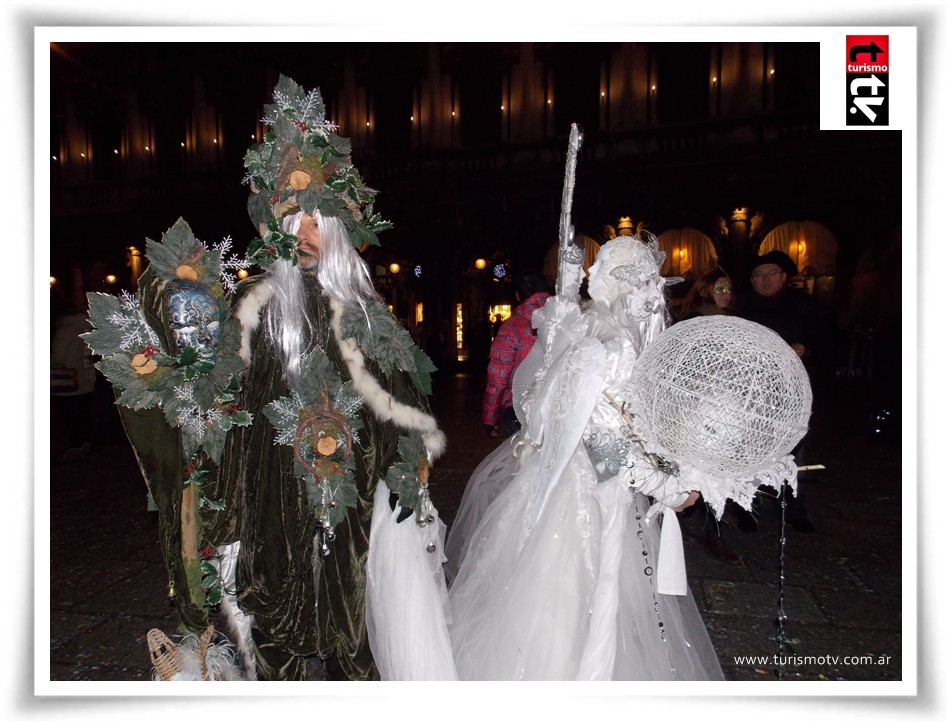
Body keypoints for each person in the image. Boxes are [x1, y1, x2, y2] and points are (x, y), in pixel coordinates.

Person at [87, 76, 449, 681]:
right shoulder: (253, 302)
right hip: (269, 489)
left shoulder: (360, 308)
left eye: (316, 224)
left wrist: (408, 455)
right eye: (292, 223)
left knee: (348, 618)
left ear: (335, 230)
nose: (303, 237)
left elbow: (396, 392)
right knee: (274, 611)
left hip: (347, 491)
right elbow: (223, 388)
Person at [445, 232, 723, 680]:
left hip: (559, 480)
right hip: (588, 496)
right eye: (650, 287)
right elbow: (605, 444)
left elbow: (608, 419)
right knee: (573, 601)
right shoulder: (615, 348)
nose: (657, 299)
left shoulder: (588, 331)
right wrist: (665, 486)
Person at [739, 249, 815, 532]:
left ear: (784, 277)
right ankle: (749, 503)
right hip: (754, 390)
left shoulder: (804, 306)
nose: (765, 280)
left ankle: (795, 507)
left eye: (771, 274)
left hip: (792, 391)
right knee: (751, 446)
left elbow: (826, 339)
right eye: (759, 275)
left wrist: (805, 348)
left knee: (794, 448)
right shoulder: (745, 310)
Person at [676, 269, 742, 563]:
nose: (725, 295)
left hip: (725, 407)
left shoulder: (735, 323)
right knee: (692, 470)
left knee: (717, 472)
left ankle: (714, 529)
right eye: (719, 289)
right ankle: (678, 523)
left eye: (728, 289)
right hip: (696, 408)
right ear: (705, 291)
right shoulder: (693, 323)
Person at [482, 271, 551, 438]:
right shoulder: (562, 317)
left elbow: (499, 376)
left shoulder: (512, 326)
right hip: (553, 403)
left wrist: (490, 418)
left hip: (519, 406)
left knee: (521, 458)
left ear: (518, 295)